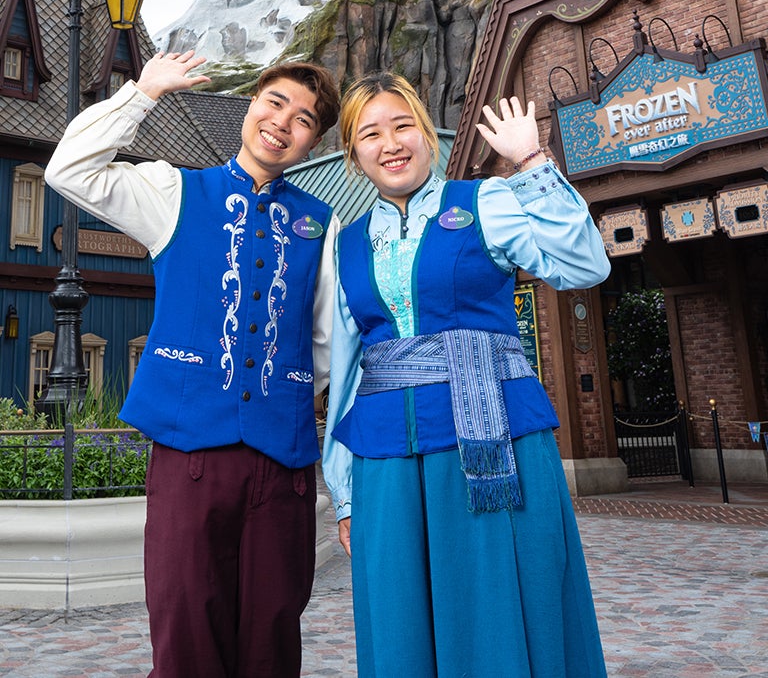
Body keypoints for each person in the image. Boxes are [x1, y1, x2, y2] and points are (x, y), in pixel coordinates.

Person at [45, 51, 340, 678]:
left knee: (273, 638)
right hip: (190, 455)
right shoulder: (175, 191)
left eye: (306, 119)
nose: (284, 122)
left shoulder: (322, 223)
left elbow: (324, 343)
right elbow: (69, 170)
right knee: (186, 634)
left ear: (315, 138)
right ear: (252, 103)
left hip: (282, 462)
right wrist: (143, 93)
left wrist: (281, 392)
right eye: (276, 102)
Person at [321, 71, 610, 677]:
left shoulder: (486, 201)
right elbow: (348, 374)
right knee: (400, 613)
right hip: (388, 458)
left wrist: (530, 160)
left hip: (496, 441)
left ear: (427, 135)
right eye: (370, 134)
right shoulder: (343, 246)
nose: (391, 143)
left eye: (403, 125)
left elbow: (584, 264)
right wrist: (343, 494)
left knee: (504, 602)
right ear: (353, 155)